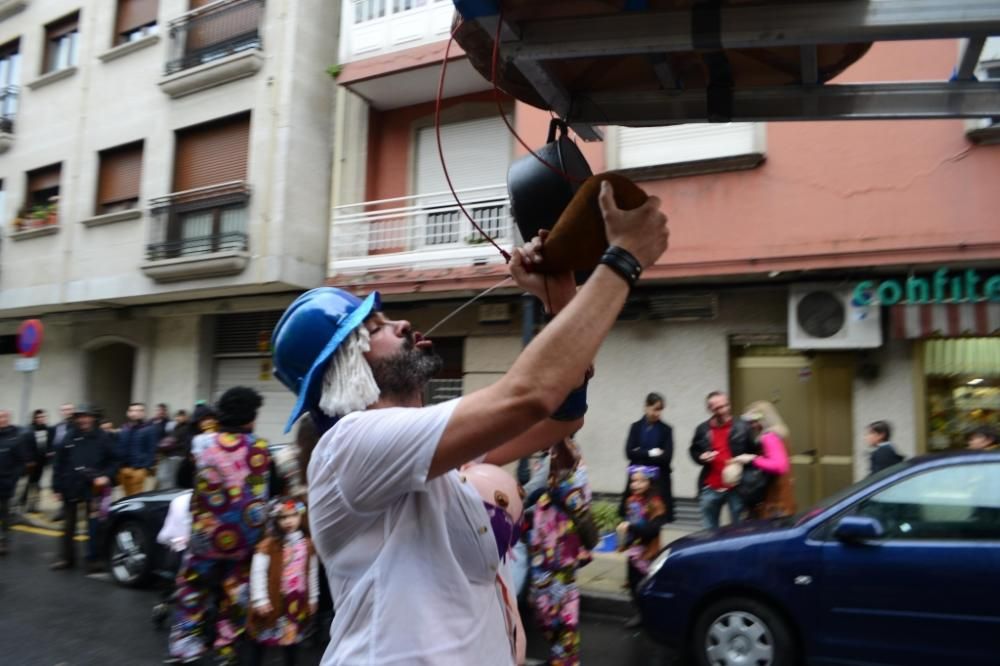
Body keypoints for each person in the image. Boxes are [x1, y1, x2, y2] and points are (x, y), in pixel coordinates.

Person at [270, 180, 669, 665]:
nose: (399, 325)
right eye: (373, 328)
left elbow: (561, 417)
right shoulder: (350, 445)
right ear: (343, 368)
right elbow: (528, 396)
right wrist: (624, 258)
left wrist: (559, 298)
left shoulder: (424, 458)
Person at [166, 387, 270, 666]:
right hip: (245, 539)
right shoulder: (260, 447)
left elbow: (183, 479)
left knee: (192, 588)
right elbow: (265, 495)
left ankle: (187, 645)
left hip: (206, 536)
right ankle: (226, 648)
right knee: (236, 593)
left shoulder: (202, 444)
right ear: (251, 418)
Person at [527, 438, 593, 666]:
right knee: (549, 608)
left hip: (560, 553)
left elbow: (577, 499)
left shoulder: (565, 455)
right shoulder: (549, 456)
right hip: (546, 550)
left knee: (560, 610)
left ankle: (566, 659)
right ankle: (561, 655)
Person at [246, 498, 319, 666]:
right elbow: (258, 573)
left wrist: (313, 597)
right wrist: (260, 599)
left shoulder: (307, 544)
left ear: (301, 516)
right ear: (275, 520)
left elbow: (311, 572)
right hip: (272, 600)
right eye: (283, 517)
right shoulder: (268, 545)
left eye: (293, 515)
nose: (289, 521)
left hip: (295, 602)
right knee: (261, 640)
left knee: (291, 641)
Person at [51, 405, 118, 572]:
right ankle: (66, 558)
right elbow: (59, 463)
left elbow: (116, 460)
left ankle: (93, 559)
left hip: (94, 488)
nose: (83, 420)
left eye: (86, 416)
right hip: (70, 485)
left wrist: (106, 476)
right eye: (80, 416)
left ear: (93, 417)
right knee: (68, 525)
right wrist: (56, 487)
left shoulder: (103, 437)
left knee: (94, 525)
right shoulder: (69, 436)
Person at [689, 391, 755, 529]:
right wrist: (701, 457)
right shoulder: (702, 429)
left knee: (739, 531)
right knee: (709, 532)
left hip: (737, 487)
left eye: (726, 405)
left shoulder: (743, 426)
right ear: (709, 409)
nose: (724, 410)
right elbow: (694, 450)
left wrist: (745, 464)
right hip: (710, 487)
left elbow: (754, 453)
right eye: (718, 408)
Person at [616, 465, 667, 628]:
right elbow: (629, 521)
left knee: (647, 584)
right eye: (633, 481)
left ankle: (653, 615)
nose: (635, 485)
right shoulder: (631, 500)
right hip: (634, 550)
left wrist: (631, 527)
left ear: (650, 483)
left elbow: (652, 530)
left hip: (648, 552)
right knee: (632, 583)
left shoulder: (656, 503)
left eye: (640, 481)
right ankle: (640, 614)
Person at [735, 401, 796, 520]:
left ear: (764, 419)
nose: (752, 425)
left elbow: (779, 466)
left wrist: (752, 459)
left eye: (754, 421)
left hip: (774, 502)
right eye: (750, 422)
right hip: (784, 498)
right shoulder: (781, 434)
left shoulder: (768, 437)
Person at [621, 392, 674, 522]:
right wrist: (652, 453)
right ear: (646, 407)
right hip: (637, 481)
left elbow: (667, 457)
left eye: (660, 410)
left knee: (655, 518)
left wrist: (640, 452)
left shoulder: (666, 430)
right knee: (633, 516)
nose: (657, 413)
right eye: (655, 409)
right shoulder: (636, 427)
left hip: (658, 483)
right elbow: (629, 453)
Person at [0, 409, 27, 556]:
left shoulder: (15, 437)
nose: (2, 419)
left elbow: (21, 462)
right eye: (0, 417)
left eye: (4, 417)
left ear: (8, 419)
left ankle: (3, 541)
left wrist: (13, 478)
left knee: (4, 514)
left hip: (6, 483)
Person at [117, 402, 157, 497]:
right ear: (128, 413)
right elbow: (120, 446)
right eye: (133, 410)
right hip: (123, 468)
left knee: (136, 497)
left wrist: (146, 467)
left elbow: (151, 449)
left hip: (139, 469)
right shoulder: (124, 428)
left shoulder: (149, 429)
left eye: (139, 411)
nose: (135, 413)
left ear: (143, 413)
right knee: (125, 496)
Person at [20, 409, 53, 514]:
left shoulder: (48, 430)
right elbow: (26, 446)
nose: (41, 419)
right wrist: (29, 460)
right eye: (38, 417)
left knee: (37, 483)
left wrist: (49, 453)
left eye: (42, 417)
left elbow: (49, 444)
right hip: (31, 462)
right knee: (28, 482)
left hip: (42, 462)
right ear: (34, 418)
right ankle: (22, 503)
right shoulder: (29, 430)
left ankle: (33, 505)